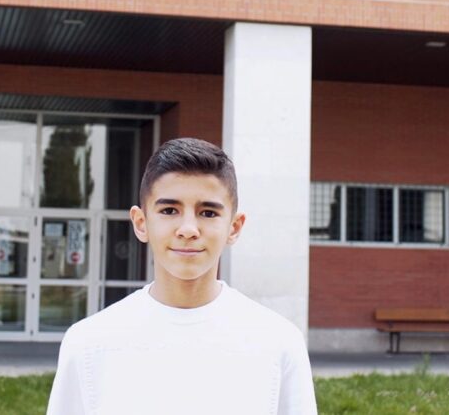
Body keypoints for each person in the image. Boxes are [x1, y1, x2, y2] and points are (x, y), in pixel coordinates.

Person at [46, 137, 317, 415]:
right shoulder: (88, 343)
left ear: (234, 227)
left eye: (208, 212)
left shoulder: (279, 343)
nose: (188, 229)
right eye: (169, 210)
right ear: (141, 223)